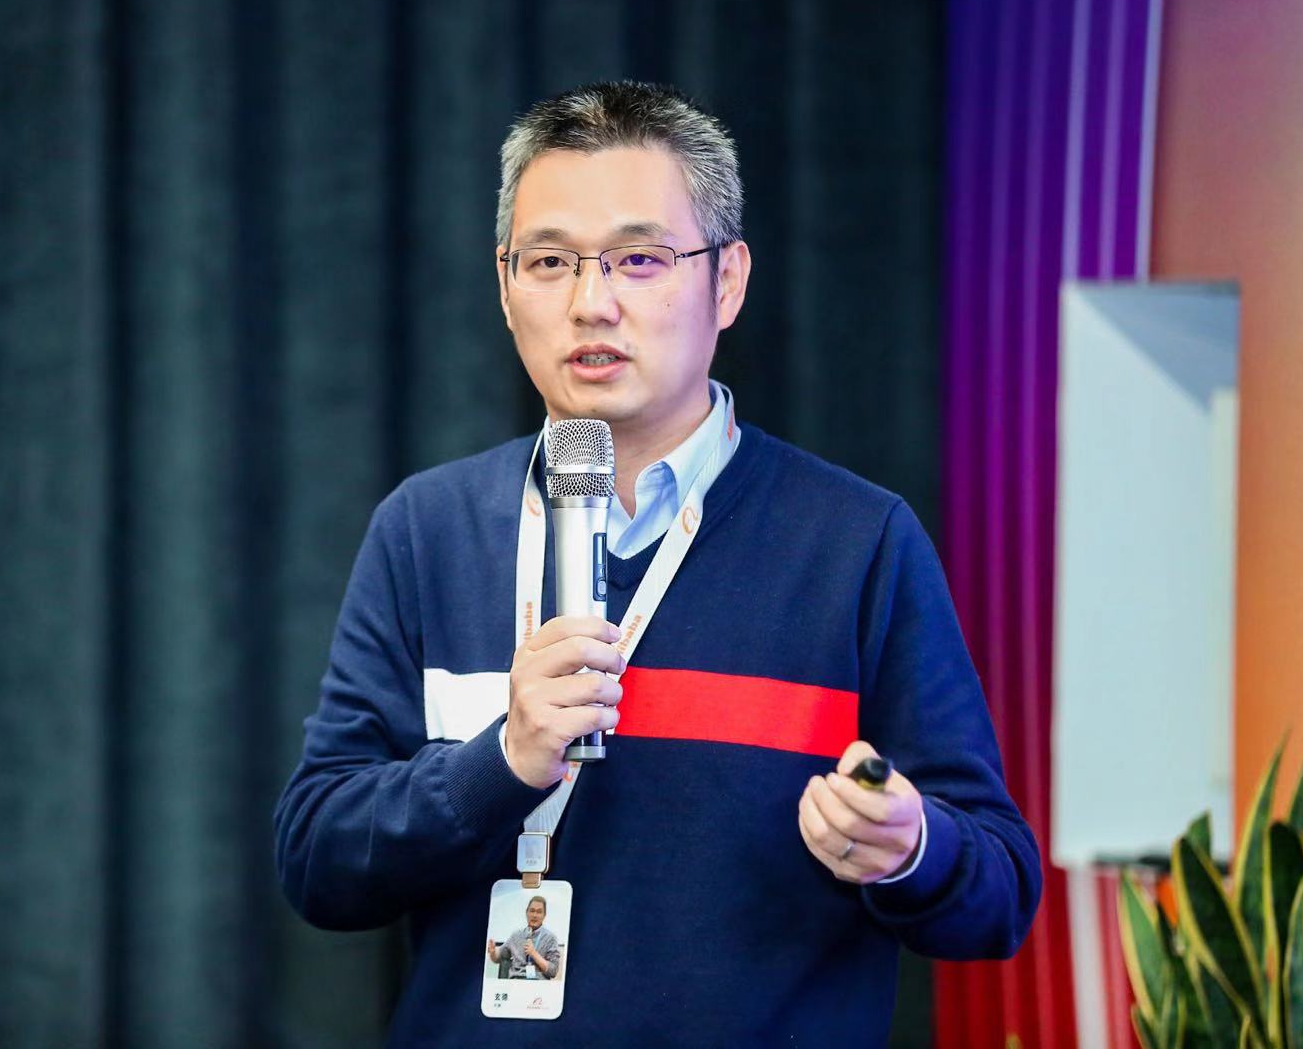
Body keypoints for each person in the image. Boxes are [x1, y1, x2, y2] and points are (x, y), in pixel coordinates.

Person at [274, 80, 1041, 1044]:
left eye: (639, 260)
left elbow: (999, 892)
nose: (591, 303)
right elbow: (319, 859)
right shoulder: (427, 530)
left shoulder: (857, 541)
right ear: (505, 288)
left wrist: (909, 847)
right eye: (550, 261)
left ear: (728, 282)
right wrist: (500, 764)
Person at [486, 895, 561, 980]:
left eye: (539, 912)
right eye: (532, 911)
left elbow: (553, 971)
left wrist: (534, 954)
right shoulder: (516, 935)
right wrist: (493, 952)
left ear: (544, 915)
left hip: (537, 984)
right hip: (515, 982)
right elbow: (498, 957)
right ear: (526, 913)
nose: (535, 915)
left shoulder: (550, 938)